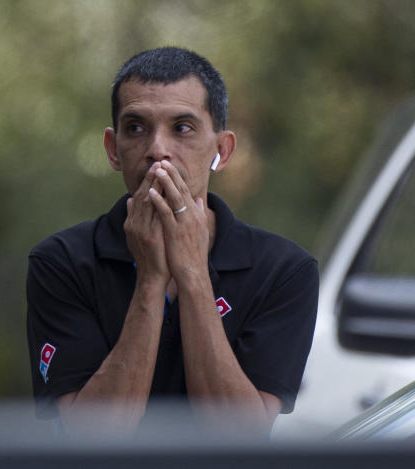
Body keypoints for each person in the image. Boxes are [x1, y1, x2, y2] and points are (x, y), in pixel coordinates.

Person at [26, 46, 318, 435]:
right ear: (113, 150)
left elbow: (241, 437)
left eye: (182, 128)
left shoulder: (283, 270)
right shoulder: (60, 262)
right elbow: (92, 437)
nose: (157, 149)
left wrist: (193, 271)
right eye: (136, 128)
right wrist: (150, 279)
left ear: (222, 150)